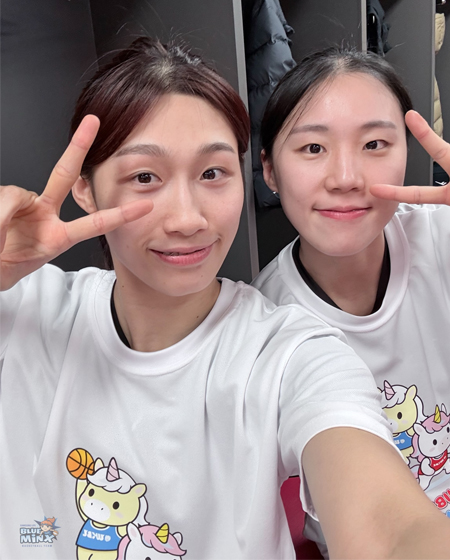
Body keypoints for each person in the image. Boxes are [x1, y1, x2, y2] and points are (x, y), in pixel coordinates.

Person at [0, 37, 449, 560]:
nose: (187, 219)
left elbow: (388, 530)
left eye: (212, 173)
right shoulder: (26, 312)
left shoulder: (289, 353)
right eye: (145, 177)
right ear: (85, 188)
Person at [252, 46, 450, 556]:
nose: (345, 177)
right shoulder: (263, 327)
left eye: (375, 143)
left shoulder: (441, 238)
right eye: (313, 148)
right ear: (269, 170)